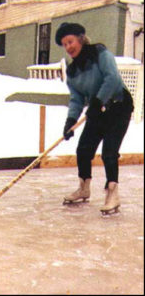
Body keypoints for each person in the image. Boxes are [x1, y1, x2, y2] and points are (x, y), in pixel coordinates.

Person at [55, 22, 134, 214]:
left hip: (118, 105)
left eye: (70, 41)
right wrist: (70, 121)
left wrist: (98, 101)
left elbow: (112, 78)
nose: (68, 47)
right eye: (64, 44)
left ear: (80, 39)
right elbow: (76, 99)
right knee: (83, 149)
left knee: (109, 151)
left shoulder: (100, 53)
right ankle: (84, 188)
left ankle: (112, 193)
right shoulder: (73, 72)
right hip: (98, 110)